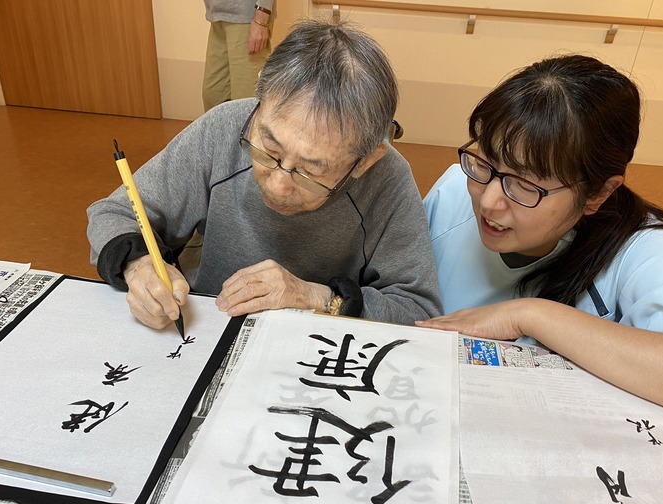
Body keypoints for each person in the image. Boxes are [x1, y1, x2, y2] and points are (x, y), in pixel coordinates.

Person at [418, 54, 663, 426]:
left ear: (599, 194)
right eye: (486, 163)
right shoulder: (454, 189)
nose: (489, 201)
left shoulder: (640, 249)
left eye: (525, 185)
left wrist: (532, 315)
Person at [87, 20, 442, 329]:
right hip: (207, 328)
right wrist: (138, 265)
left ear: (366, 160)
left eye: (311, 170)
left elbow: (417, 310)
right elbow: (113, 212)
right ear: (260, 98)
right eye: (268, 149)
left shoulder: (388, 179)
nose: (277, 185)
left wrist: (316, 296)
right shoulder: (224, 128)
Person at [202, 1, 275, 112]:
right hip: (217, 16)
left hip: (247, 16)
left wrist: (261, 18)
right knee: (213, 97)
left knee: (245, 103)